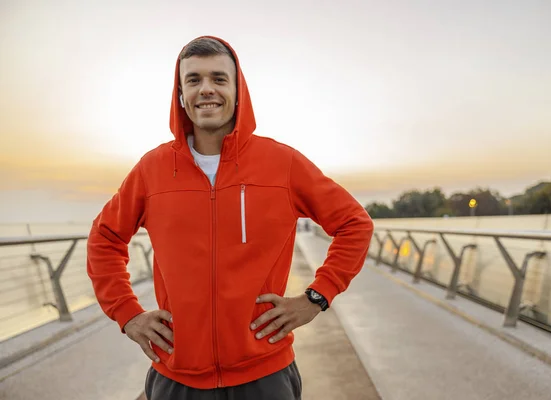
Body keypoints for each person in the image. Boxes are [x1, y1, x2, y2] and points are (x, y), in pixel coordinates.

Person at [86, 35, 374, 400]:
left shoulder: (282, 163)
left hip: (266, 376)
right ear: (180, 96)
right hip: (177, 378)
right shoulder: (152, 170)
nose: (206, 89)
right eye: (194, 80)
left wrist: (317, 297)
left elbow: (355, 223)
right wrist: (127, 313)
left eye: (219, 79)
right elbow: (104, 238)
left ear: (239, 92)